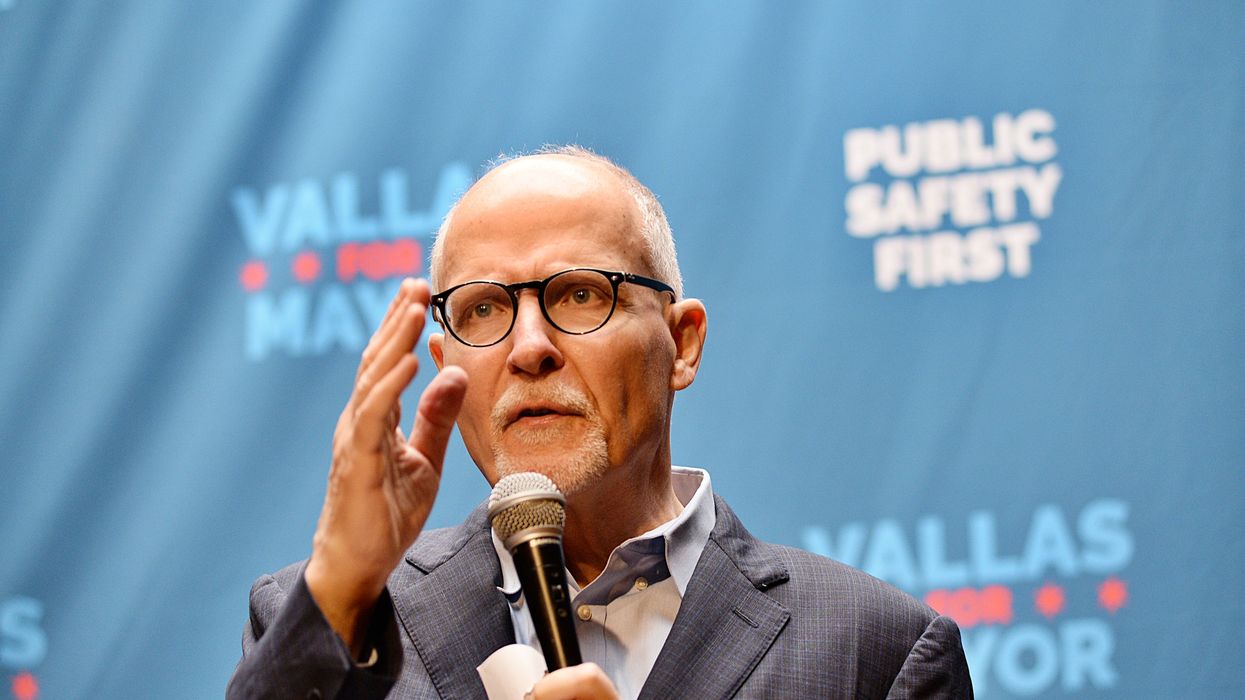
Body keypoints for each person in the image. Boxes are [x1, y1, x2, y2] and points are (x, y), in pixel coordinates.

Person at [227, 146, 973, 699]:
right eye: (482, 308)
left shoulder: (871, 651)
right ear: (445, 361)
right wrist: (341, 587)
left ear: (681, 343)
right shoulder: (333, 618)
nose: (528, 348)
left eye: (581, 294)